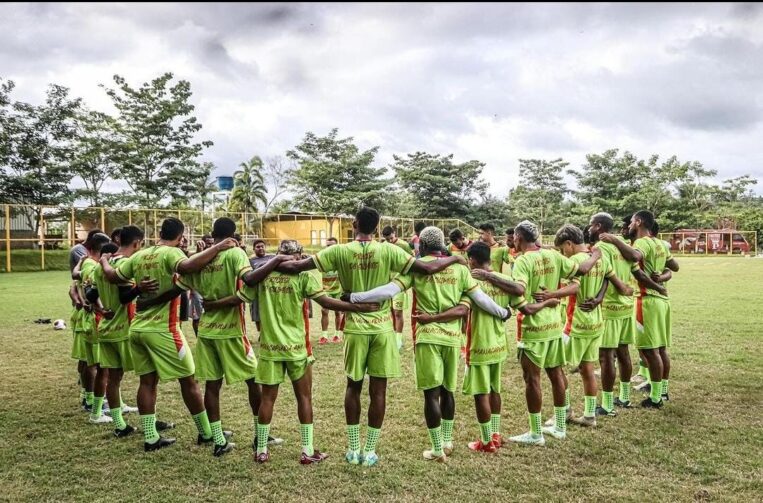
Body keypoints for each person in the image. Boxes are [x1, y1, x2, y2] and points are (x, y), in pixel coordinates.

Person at [269, 207, 467, 467]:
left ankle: (353, 449)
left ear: (354, 224)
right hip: (382, 327)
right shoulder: (389, 250)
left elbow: (297, 267)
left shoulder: (338, 250)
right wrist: (454, 258)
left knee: (353, 386)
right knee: (379, 390)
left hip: (354, 328)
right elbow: (426, 269)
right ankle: (370, 451)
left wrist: (267, 265)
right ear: (377, 227)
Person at [207, 239, 381, 464]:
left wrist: (212, 304)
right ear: (297, 255)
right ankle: (307, 451)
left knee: (267, 399)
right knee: (304, 397)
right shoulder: (303, 276)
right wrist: (358, 307)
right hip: (297, 348)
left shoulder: (263, 276)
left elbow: (238, 299)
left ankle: (261, 450)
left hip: (270, 348)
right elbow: (326, 303)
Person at [348, 227, 511, 463]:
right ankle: (447, 441)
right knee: (448, 391)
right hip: (452, 338)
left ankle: (437, 449)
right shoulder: (459, 268)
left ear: (422, 245)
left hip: (427, 337)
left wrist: (355, 296)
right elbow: (480, 300)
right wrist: (503, 312)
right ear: (442, 244)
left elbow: (388, 291)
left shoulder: (416, 267)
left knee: (431, 395)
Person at [99, 217, 238, 452]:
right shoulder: (171, 253)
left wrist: (103, 260)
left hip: (137, 328)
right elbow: (188, 267)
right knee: (189, 380)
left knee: (147, 381)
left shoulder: (140, 255)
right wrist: (217, 247)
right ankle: (206, 432)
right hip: (164, 329)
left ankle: (151, 438)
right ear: (180, 236)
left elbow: (113, 276)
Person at [474, 220, 602, 446]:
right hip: (554, 326)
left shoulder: (523, 261)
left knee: (532, 380)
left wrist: (490, 276)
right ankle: (560, 426)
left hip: (533, 329)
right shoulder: (553, 255)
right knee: (556, 375)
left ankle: (535, 432)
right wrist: (595, 255)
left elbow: (520, 289)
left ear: (519, 238)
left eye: (514, 236)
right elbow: (581, 271)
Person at [465, 241, 557, 452]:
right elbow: (526, 309)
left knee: (481, 393)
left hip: (478, 344)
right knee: (495, 390)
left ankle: (487, 441)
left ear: (472, 260)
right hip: (499, 345)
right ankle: (496, 435)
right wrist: (546, 303)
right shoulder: (506, 280)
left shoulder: (470, 280)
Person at [536, 225, 628, 429]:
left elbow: (575, 286)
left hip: (575, 322)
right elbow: (609, 279)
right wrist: (598, 298)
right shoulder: (600, 258)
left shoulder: (575, 261)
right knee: (587, 367)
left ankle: (565, 411)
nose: (562, 253)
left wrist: (552, 294)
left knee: (555, 367)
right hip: (595, 322)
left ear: (569, 244)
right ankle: (589, 415)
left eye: (562, 249)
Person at [600, 210, 679, 408]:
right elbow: (674, 267)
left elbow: (635, 256)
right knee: (660, 349)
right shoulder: (660, 243)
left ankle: (655, 398)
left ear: (639, 222)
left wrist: (615, 241)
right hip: (662, 301)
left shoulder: (642, 242)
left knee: (649, 351)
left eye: (633, 221)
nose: (630, 225)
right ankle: (662, 390)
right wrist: (662, 277)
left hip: (647, 300)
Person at [86, 226, 157, 437]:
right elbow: (126, 297)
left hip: (106, 328)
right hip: (123, 329)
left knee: (112, 378)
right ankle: (151, 425)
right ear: (136, 243)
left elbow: (90, 292)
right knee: (148, 379)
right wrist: (139, 289)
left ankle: (119, 424)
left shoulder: (101, 266)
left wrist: (99, 308)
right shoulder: (125, 264)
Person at [588, 213, 637, 410]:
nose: (589, 228)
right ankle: (625, 397)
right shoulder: (623, 246)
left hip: (610, 307)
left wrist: (599, 298)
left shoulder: (601, 247)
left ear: (598, 226)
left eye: (591, 225)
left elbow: (607, 275)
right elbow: (635, 268)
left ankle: (607, 405)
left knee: (605, 356)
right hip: (626, 306)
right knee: (623, 352)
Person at [72, 232, 113, 424]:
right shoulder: (92, 265)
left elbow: (74, 284)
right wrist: (102, 309)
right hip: (94, 320)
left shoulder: (86, 264)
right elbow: (91, 290)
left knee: (93, 362)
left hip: (89, 318)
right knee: (99, 365)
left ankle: (92, 400)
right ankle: (95, 406)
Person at [381, 226, 414, 351]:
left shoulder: (404, 245)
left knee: (398, 312)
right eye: (387, 239)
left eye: (391, 238)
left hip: (399, 284)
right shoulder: (383, 246)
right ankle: (392, 337)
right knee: (389, 311)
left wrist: (406, 281)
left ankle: (398, 340)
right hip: (386, 284)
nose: (389, 241)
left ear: (395, 234)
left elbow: (412, 261)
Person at [319, 237, 344, 344]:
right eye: (328, 245)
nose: (329, 247)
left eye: (332, 245)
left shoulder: (341, 259)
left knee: (338, 313)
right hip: (326, 289)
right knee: (324, 311)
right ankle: (324, 336)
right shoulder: (322, 258)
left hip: (338, 290)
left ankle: (337, 335)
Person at [249, 239, 275, 333]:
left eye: (262, 246)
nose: (260, 248)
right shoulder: (250, 261)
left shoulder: (273, 257)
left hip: (270, 290)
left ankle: (270, 332)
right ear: (253, 249)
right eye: (258, 247)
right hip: (256, 290)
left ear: (265, 247)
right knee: (257, 313)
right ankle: (261, 333)